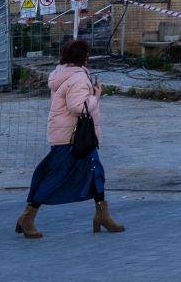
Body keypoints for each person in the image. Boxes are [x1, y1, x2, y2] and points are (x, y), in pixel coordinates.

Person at [16, 39, 124, 238]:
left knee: (94, 171)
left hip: (69, 135)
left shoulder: (62, 74)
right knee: (55, 176)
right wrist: (96, 96)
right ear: (83, 57)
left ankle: (102, 215)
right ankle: (28, 216)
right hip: (73, 137)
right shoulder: (78, 78)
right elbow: (78, 107)